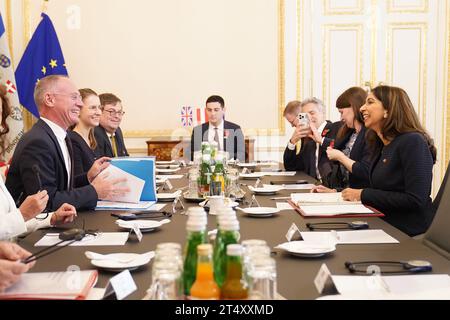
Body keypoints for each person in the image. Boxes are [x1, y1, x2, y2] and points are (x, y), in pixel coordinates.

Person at [6, 75, 128, 211]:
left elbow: (61, 187)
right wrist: (94, 191)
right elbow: (46, 203)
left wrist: (87, 177)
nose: (80, 104)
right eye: (74, 97)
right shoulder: (37, 142)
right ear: (50, 100)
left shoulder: (63, 137)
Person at [342, 85, 437, 237]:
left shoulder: (413, 141)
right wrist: (340, 193)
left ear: (388, 109)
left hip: (408, 234)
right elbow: (378, 189)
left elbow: (415, 199)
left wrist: (363, 194)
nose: (361, 108)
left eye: (370, 102)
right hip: (382, 225)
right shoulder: (380, 144)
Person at [0, 83, 76, 240]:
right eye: (73, 97)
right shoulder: (37, 140)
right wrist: (22, 214)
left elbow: (9, 222)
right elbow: (13, 221)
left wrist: (51, 218)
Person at [312, 87, 374, 192]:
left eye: (342, 112)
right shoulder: (349, 133)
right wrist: (333, 192)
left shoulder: (370, 134)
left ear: (354, 107)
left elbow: (365, 172)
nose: (341, 118)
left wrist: (341, 157)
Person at [283, 98, 341, 180]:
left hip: (332, 187)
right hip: (313, 186)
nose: (309, 118)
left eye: (312, 113)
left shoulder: (335, 129)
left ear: (323, 113)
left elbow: (342, 150)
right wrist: (292, 142)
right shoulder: (308, 139)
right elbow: (291, 167)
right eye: (305, 115)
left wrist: (321, 140)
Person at [190, 95, 245, 161]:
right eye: (209, 110)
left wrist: (227, 155)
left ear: (223, 110)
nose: (212, 113)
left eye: (216, 110)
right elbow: (192, 155)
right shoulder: (197, 130)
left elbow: (242, 155)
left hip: (228, 169)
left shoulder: (235, 129)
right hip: (206, 169)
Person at [68, 88, 101, 176]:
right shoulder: (72, 140)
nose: (98, 112)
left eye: (99, 108)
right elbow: (76, 181)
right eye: (93, 108)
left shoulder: (93, 140)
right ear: (78, 110)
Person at [94, 93, 129, 158]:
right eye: (112, 112)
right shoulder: (95, 133)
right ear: (100, 112)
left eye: (119, 112)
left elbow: (124, 157)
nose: (117, 116)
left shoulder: (117, 131)